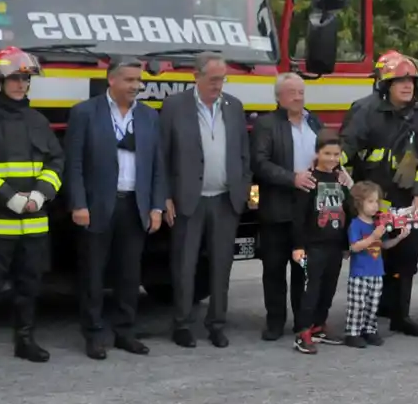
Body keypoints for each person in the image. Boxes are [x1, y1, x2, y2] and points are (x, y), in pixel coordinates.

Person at [0, 47, 63, 366]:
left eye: (24, 78)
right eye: (14, 79)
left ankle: (25, 339)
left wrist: (41, 194)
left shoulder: (38, 120)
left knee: (30, 284)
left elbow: (56, 161)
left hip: (34, 221)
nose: (20, 84)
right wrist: (8, 196)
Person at [63, 57, 164, 361]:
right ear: (112, 80)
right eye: (130, 80)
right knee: (93, 274)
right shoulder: (85, 113)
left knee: (129, 275)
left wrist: (156, 206)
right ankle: (93, 334)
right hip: (96, 207)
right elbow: (75, 164)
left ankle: (124, 331)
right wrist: (78, 203)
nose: (136, 86)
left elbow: (157, 165)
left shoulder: (148, 116)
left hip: (135, 206)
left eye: (139, 80)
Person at [339, 50, 418, 337]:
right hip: (372, 202)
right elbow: (346, 149)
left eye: (411, 81)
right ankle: (366, 315)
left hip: (408, 201)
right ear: (385, 85)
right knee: (372, 254)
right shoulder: (365, 111)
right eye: (400, 81)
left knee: (407, 257)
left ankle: (401, 316)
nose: (407, 86)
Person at [161, 51, 252, 349]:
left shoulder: (234, 107)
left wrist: (244, 188)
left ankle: (216, 324)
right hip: (189, 200)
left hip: (226, 200)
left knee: (221, 266)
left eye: (222, 79)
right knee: (185, 265)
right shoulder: (175, 107)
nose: (218, 85)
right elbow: (162, 156)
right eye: (213, 79)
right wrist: (164, 197)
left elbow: (243, 153)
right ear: (196, 76)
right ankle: (182, 324)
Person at [251, 72, 323, 340]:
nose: (299, 97)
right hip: (277, 210)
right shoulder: (266, 124)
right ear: (279, 97)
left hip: (307, 211)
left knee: (303, 269)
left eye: (301, 92)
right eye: (293, 92)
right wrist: (292, 178)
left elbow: (328, 152)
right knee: (273, 269)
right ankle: (275, 321)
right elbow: (259, 163)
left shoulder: (314, 121)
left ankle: (302, 321)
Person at [290, 130, 349, 355]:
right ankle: (302, 332)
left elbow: (348, 211)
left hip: (335, 244)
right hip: (313, 246)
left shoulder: (341, 180)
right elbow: (299, 217)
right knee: (311, 289)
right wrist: (298, 246)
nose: (332, 158)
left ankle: (319, 326)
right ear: (317, 153)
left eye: (336, 154)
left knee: (328, 288)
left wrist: (346, 244)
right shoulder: (310, 180)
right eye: (327, 153)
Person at [343, 181, 395, 348]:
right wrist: (373, 237)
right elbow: (354, 247)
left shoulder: (377, 224)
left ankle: (369, 330)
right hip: (360, 273)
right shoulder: (356, 224)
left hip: (377, 271)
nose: (375, 206)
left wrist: (400, 237)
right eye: (370, 201)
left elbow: (384, 245)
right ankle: (352, 333)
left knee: (372, 305)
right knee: (357, 305)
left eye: (377, 201)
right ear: (359, 203)